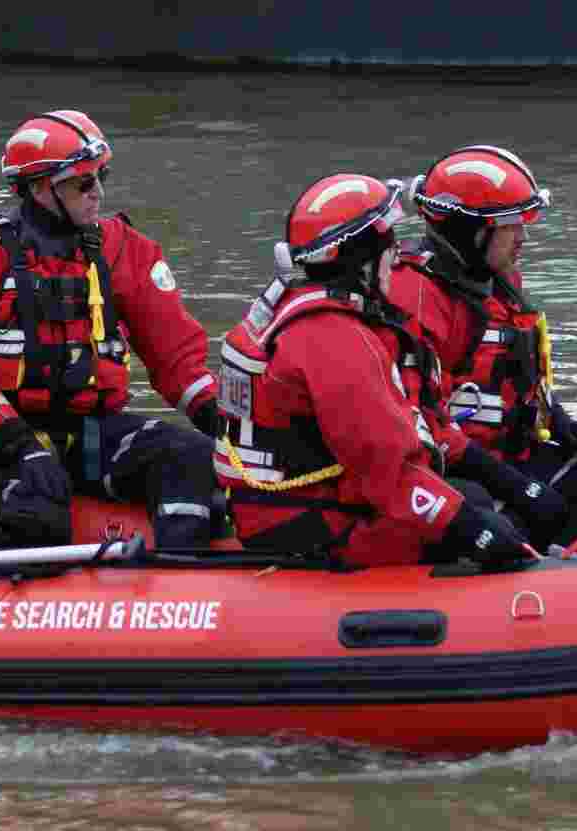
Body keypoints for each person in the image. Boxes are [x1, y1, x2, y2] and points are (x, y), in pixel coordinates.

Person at [0, 110, 221, 549]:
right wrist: (21, 446)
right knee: (39, 502)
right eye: (83, 183)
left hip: (86, 430)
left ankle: (175, 581)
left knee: (191, 457)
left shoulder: (122, 250)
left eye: (101, 177)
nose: (99, 193)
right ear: (38, 187)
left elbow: (175, 353)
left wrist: (216, 418)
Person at [212, 173, 539, 569]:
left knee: (471, 498)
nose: (397, 256)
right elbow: (389, 472)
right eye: (389, 246)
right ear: (361, 260)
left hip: (276, 508)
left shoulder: (294, 308)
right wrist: (475, 529)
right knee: (478, 516)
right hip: (304, 522)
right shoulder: (336, 339)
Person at [383, 145, 577, 548]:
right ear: (467, 231)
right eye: (510, 225)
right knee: (510, 516)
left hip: (501, 454)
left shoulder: (497, 283)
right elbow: (419, 426)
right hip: (452, 471)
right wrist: (515, 487)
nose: (523, 236)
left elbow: (519, 376)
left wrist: (566, 427)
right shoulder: (414, 297)